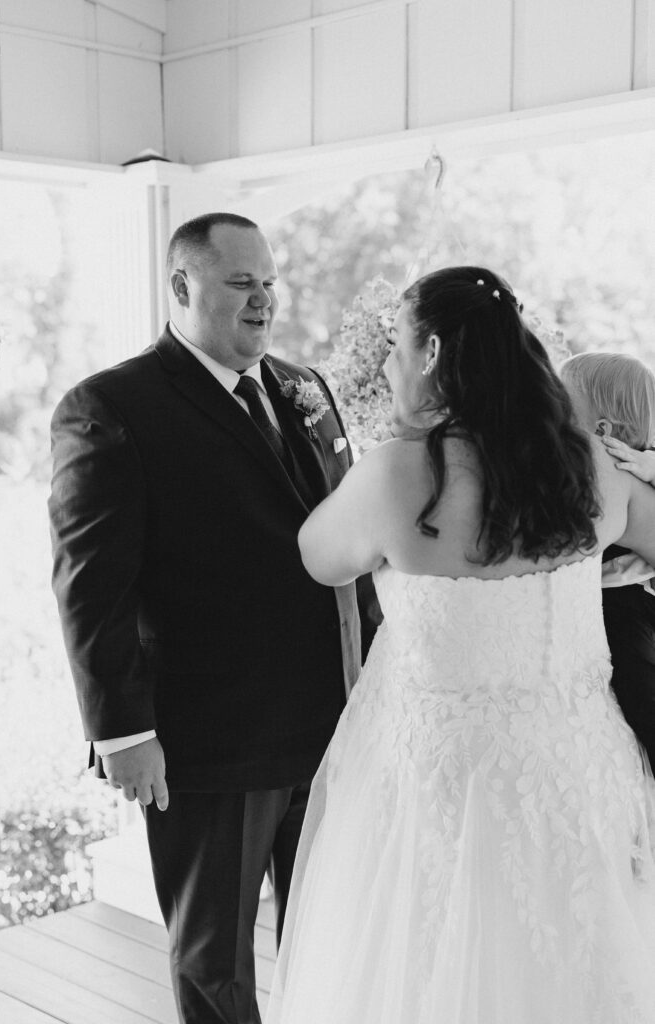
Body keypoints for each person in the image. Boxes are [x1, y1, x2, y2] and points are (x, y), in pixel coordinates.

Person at [266, 268, 655, 1024]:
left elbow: (318, 556)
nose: (385, 365)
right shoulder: (589, 467)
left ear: (434, 350)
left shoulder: (397, 474)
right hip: (578, 771)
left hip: (434, 786)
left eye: (395, 347)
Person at [48, 212, 364, 1024]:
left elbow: (345, 533)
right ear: (182, 286)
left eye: (268, 282)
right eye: (240, 282)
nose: (263, 300)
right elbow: (91, 584)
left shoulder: (306, 387)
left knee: (329, 934)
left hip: (331, 724)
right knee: (214, 958)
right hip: (208, 736)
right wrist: (122, 731)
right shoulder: (112, 405)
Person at [560, 352, 655, 772]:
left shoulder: (606, 468)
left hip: (624, 605)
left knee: (637, 690)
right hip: (627, 602)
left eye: (561, 406)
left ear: (600, 430)